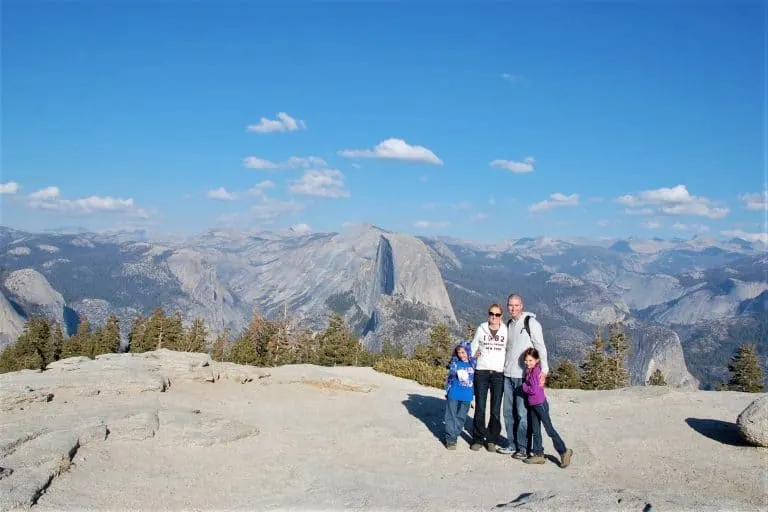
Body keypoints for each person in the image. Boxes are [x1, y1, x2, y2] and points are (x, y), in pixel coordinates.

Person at [498, 294, 549, 459]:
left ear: (522, 305)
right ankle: (512, 444)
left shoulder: (531, 323)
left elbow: (541, 347)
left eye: (516, 305)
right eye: (510, 305)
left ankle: (523, 447)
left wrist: (545, 370)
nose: (513, 308)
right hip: (508, 374)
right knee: (507, 413)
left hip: (522, 377)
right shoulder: (510, 324)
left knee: (521, 413)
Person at [520, 347, 573, 467]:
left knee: (549, 429)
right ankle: (538, 454)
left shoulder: (536, 372)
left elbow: (534, 389)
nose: (528, 363)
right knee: (535, 429)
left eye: (530, 360)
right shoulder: (530, 371)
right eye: (526, 360)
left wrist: (523, 387)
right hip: (533, 404)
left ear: (537, 360)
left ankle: (564, 451)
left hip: (539, 404)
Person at [469, 303, 508, 452]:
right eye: (492, 313)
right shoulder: (481, 329)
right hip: (482, 372)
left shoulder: (506, 331)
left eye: (497, 314)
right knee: (480, 406)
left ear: (501, 317)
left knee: (495, 408)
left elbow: (510, 349)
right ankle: (478, 439)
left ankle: (491, 439)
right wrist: (473, 357)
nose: (494, 317)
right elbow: (472, 348)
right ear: (488, 314)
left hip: (498, 373)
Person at [443, 344, 476, 450]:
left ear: (468, 351)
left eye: (463, 352)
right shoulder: (455, 363)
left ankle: (455, 434)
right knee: (450, 416)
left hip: (467, 395)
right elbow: (450, 379)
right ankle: (451, 440)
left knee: (461, 417)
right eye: (459, 353)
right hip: (454, 393)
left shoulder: (474, 364)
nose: (461, 355)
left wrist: (474, 397)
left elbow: (476, 382)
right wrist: (447, 391)